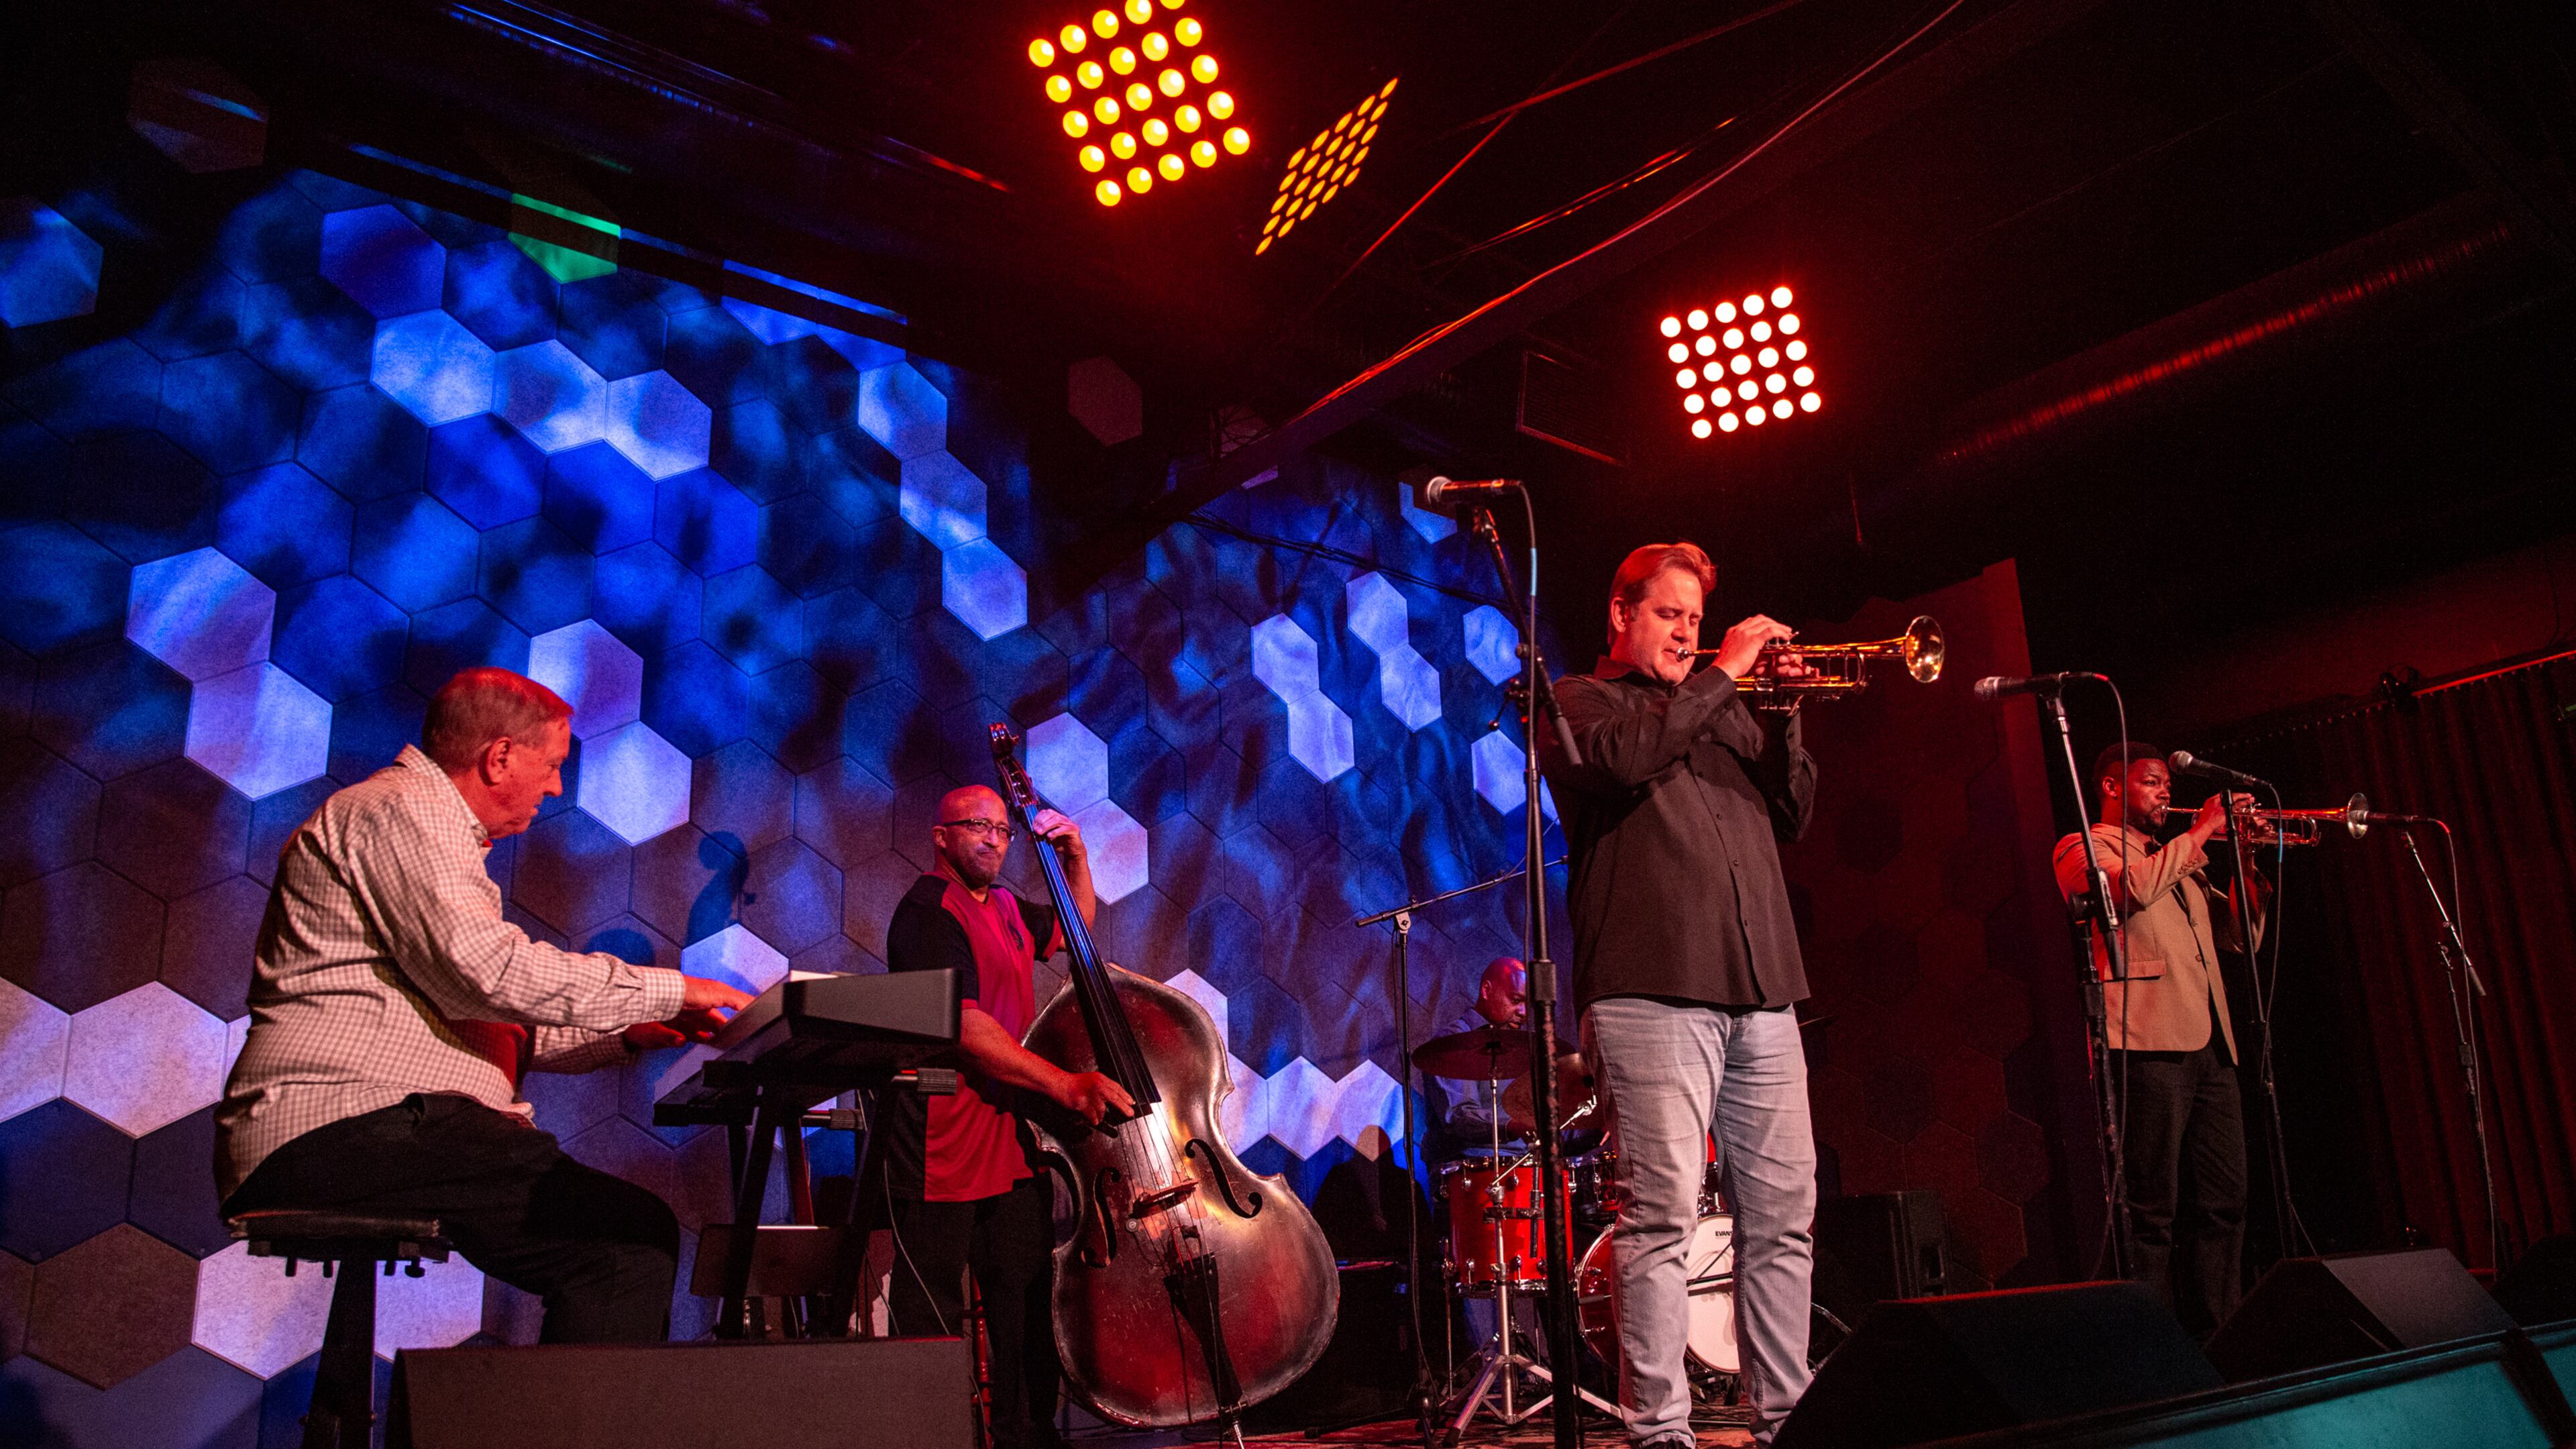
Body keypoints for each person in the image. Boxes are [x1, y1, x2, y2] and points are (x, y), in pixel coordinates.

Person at [216, 667, 754, 1343]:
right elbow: (487, 974)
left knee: (625, 1236)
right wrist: (674, 988)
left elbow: (477, 1015)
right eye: (552, 765)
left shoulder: (415, 823)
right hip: (341, 1128)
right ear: (499, 756)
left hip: (369, 1124)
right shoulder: (403, 810)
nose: (556, 787)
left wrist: (630, 1031)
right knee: (623, 1241)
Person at [1538, 541, 1819, 1448]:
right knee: (1659, 1218)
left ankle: (1787, 1420)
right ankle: (1661, 1433)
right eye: (1669, 615)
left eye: (1697, 620)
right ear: (1620, 615)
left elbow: (1793, 813)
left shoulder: (1723, 709)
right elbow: (1624, 762)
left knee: (1783, 1221)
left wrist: (1785, 715)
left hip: (1763, 988)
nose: (1688, 635)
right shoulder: (1576, 701)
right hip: (1650, 990)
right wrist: (1726, 674)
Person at [872, 784, 1133, 1449]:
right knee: (931, 1310)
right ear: (941, 836)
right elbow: (967, 1030)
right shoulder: (928, 912)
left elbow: (1074, 929)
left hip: (1009, 1138)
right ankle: (932, 1439)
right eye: (977, 826)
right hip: (942, 1138)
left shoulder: (1011, 907)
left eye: (1001, 829)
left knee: (1023, 1302)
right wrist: (1067, 1086)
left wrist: (1075, 857)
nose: (993, 838)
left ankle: (1027, 1435)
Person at [2053, 743, 2263, 1337]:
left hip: (2211, 1044)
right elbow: (2123, 894)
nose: (2166, 793)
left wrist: (2245, 859)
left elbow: (2241, 939)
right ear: (2112, 788)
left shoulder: (2175, 857)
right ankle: (2155, 1344)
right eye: (2152, 783)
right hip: (2145, 1042)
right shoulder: (2082, 846)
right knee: (2151, 1212)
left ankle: (2221, 1338)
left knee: (2225, 1202)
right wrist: (2200, 833)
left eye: (2167, 785)